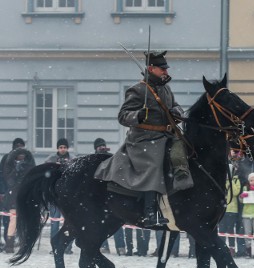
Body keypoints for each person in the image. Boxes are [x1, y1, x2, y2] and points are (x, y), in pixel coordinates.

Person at [95, 50, 189, 228]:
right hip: (144, 139)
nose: (166, 73)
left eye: (166, 69)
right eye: (163, 69)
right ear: (151, 68)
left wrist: (177, 112)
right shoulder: (138, 90)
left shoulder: (165, 89)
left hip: (166, 135)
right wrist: (138, 115)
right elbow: (123, 115)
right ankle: (149, 213)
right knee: (154, 164)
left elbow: (176, 106)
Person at [92, 138, 127, 255]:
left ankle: (120, 247)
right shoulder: (93, 160)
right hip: (100, 197)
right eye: (99, 146)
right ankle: (103, 246)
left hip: (111, 195)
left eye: (103, 145)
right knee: (101, 224)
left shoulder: (111, 158)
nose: (102, 148)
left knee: (116, 223)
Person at [2, 147, 36, 253]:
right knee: (13, 221)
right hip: (13, 198)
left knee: (24, 221)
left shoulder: (28, 165)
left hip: (25, 196)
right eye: (19, 155)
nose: (21, 157)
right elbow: (9, 178)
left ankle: (24, 244)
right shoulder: (10, 165)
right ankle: (9, 245)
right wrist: (16, 169)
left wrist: (25, 155)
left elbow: (31, 174)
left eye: (23, 155)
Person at [45, 138, 75, 254]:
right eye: (61, 147)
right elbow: (46, 175)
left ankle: (67, 247)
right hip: (54, 195)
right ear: (58, 148)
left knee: (69, 223)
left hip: (68, 196)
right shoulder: (51, 159)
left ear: (67, 148)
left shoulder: (72, 159)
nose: (62, 149)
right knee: (54, 222)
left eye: (64, 147)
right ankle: (55, 247)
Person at [1, 138, 27, 251]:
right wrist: (2, 191)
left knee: (15, 218)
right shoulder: (6, 158)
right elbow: (2, 176)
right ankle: (7, 241)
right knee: (6, 218)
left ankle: (11, 241)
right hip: (7, 192)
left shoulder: (26, 160)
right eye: (17, 146)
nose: (19, 148)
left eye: (21, 146)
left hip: (19, 193)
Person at [218, 158, 245, 257]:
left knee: (230, 230)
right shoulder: (220, 179)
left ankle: (231, 248)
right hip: (221, 209)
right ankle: (221, 247)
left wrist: (231, 180)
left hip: (232, 209)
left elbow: (236, 192)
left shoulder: (236, 180)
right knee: (221, 229)